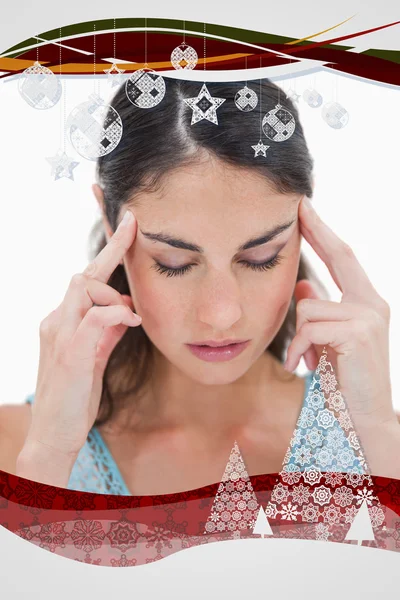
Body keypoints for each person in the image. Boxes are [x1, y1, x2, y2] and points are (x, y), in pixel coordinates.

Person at [1, 76, 398, 496]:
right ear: (109, 218)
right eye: (175, 263)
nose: (221, 313)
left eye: (261, 258)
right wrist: (48, 455)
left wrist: (376, 437)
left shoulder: (377, 442)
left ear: (305, 227)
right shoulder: (18, 451)